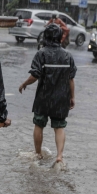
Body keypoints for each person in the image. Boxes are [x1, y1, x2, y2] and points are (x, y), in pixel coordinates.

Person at [18, 24, 77, 165]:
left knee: (39, 125)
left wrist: (24, 84)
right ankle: (59, 156)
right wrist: (72, 97)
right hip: (61, 98)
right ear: (59, 37)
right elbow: (71, 79)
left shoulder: (41, 54)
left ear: (46, 37)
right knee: (59, 127)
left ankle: (38, 154)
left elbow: (34, 76)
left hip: (43, 98)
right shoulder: (67, 56)